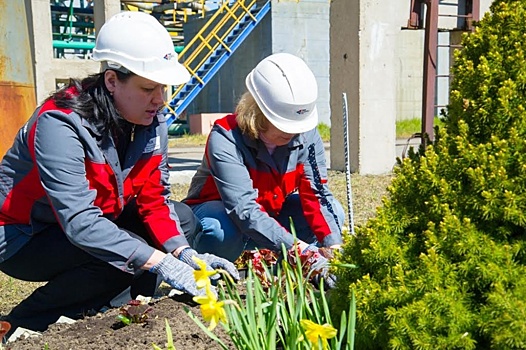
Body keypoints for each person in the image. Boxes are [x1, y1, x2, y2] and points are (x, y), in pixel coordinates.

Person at [0, 11, 238, 337]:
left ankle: (122, 306)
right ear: (112, 81)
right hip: (24, 235)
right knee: (126, 254)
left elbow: (156, 200)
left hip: (87, 222)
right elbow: (81, 223)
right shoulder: (61, 122)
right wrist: (160, 262)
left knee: (180, 221)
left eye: (163, 88)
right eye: (148, 88)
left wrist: (186, 254)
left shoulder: (150, 121)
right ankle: (22, 322)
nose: (160, 100)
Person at [183, 53, 345, 286]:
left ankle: (284, 282)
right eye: (283, 125)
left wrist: (333, 247)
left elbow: (317, 194)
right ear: (257, 111)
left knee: (334, 213)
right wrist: (303, 252)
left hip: (270, 217)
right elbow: (243, 209)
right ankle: (211, 276)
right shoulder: (226, 136)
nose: (292, 133)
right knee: (220, 227)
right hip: (224, 219)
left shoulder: (306, 136)